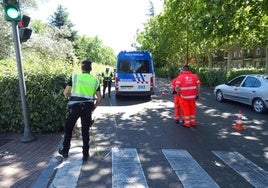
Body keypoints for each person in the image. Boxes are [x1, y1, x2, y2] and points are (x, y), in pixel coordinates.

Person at [59, 60, 102, 161]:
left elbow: (65, 93)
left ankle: (65, 150)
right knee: (85, 131)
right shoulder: (95, 81)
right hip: (87, 108)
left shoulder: (74, 77)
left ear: (82, 68)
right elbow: (99, 98)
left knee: (69, 129)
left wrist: (72, 96)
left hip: (75, 107)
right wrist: (93, 107)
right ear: (90, 69)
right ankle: (85, 154)